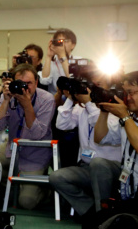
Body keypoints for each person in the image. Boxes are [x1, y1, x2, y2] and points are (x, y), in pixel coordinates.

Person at [49, 72, 122, 223]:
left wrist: (90, 104)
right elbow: (61, 125)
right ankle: (91, 212)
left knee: (98, 164)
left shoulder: (115, 109)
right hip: (87, 167)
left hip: (111, 169)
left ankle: (103, 216)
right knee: (56, 177)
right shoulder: (80, 109)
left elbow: (103, 135)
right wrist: (70, 99)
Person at [0, 63, 55, 210]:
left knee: (27, 202)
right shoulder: (9, 96)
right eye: (21, 83)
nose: (24, 88)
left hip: (35, 154)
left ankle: (46, 191)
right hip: (11, 149)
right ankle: (7, 187)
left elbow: (36, 134)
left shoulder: (47, 99)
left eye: (29, 83)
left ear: (36, 83)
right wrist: (5, 101)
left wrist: (27, 105)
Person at [92, 71, 138, 226]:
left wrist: (125, 116)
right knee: (93, 220)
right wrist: (104, 112)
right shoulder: (131, 119)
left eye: (131, 93)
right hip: (128, 195)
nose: (127, 97)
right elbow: (99, 138)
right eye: (125, 93)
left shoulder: (128, 119)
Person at [41, 28, 78, 95]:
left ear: (73, 45)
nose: (62, 44)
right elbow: (44, 81)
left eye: (65, 41)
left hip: (74, 99)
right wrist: (49, 56)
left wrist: (62, 56)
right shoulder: (51, 61)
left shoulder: (77, 60)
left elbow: (73, 80)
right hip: (54, 100)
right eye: (59, 41)